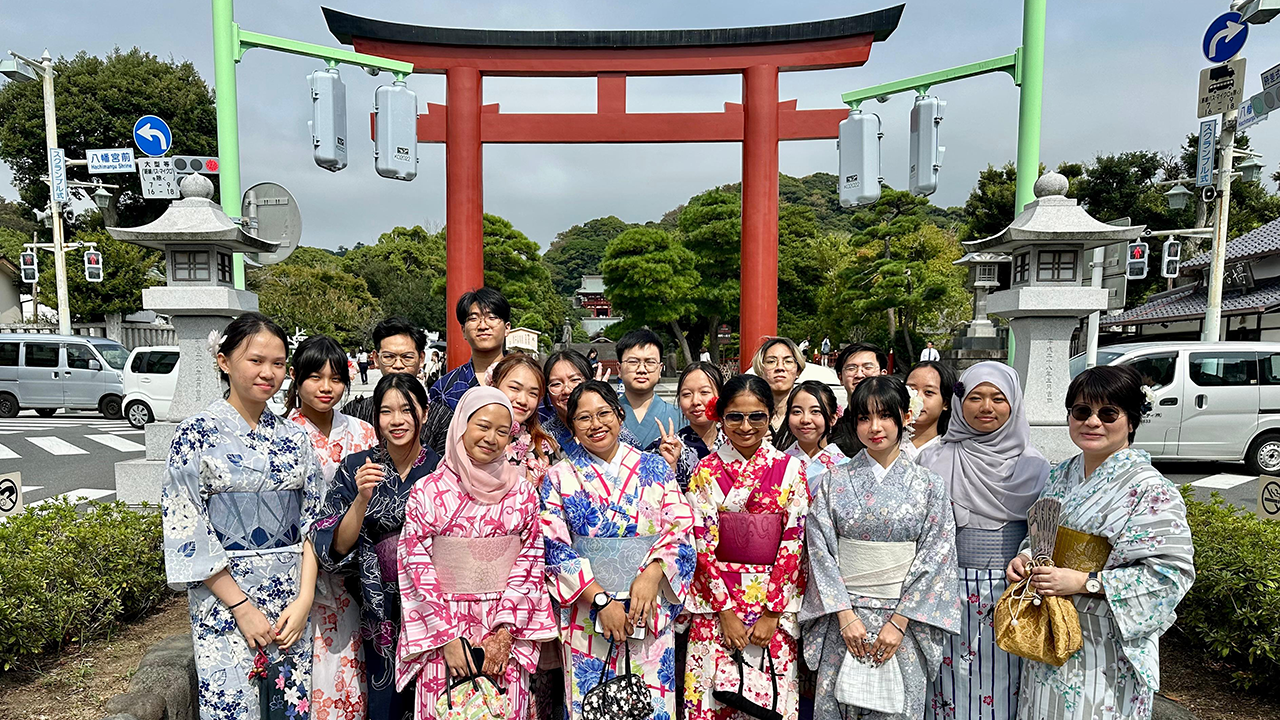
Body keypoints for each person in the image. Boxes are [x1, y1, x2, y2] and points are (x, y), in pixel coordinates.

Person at [1006, 365, 1195, 720]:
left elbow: (1171, 574)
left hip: (1106, 643)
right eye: (1082, 411)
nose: (1093, 422)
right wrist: (1028, 558)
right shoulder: (1062, 473)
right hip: (1052, 631)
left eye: (1108, 413)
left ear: (1132, 421)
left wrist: (1085, 581)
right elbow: (1042, 536)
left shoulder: (1150, 489)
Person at [161, 312, 321, 720]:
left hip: (290, 599)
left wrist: (304, 600)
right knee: (233, 704)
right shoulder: (196, 433)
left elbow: (314, 522)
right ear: (224, 361)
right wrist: (241, 606)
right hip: (225, 597)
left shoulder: (294, 436)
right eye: (256, 360)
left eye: (278, 363)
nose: (268, 372)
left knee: (291, 704)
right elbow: (186, 525)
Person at [801, 376, 961, 720]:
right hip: (843, 620)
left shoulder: (928, 485)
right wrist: (845, 617)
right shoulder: (834, 481)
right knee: (836, 705)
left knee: (899, 708)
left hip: (904, 623)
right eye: (863, 418)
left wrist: (899, 623)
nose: (874, 427)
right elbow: (819, 552)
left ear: (905, 416)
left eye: (885, 415)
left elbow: (938, 557)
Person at [396, 387, 558, 720]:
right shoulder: (428, 490)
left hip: (503, 631)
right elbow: (416, 563)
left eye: (502, 431)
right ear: (461, 426)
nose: (491, 438)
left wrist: (505, 634)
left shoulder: (523, 492)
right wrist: (447, 638)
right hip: (442, 630)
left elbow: (530, 563)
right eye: (482, 426)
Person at [540, 380, 696, 720]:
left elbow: (681, 528)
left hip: (648, 607)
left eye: (603, 413)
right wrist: (600, 601)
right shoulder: (559, 476)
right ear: (572, 426)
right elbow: (555, 548)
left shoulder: (654, 467)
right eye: (583, 418)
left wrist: (653, 574)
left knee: (651, 705)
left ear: (620, 414)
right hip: (587, 611)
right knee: (590, 703)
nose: (596, 424)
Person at [916, 362, 1049, 720]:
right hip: (942, 588)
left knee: (1003, 682)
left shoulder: (1034, 466)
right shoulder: (933, 457)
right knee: (943, 681)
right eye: (975, 397)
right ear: (959, 402)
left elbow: (1042, 536)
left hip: (1009, 592)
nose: (986, 407)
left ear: (1015, 404)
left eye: (998, 398)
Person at [314, 374, 443, 719]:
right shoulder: (357, 467)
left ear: (425, 413)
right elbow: (332, 549)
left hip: (433, 606)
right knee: (382, 701)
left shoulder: (444, 469)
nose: (396, 420)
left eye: (407, 409)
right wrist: (361, 499)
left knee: (434, 700)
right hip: (374, 610)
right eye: (386, 411)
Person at [684, 375, 809, 720]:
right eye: (735, 416)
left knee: (769, 704)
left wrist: (772, 612)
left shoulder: (790, 469)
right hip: (717, 606)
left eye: (757, 416)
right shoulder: (706, 471)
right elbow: (700, 542)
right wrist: (724, 611)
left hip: (772, 606)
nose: (746, 426)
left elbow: (794, 541)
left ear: (771, 416)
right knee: (713, 701)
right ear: (721, 417)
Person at [286, 335, 379, 719]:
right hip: (298, 565)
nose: (326, 387)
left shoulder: (363, 432)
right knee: (305, 670)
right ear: (295, 377)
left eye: (336, 378)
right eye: (315, 377)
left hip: (352, 571)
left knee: (353, 666)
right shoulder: (281, 433)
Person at [343, 317, 453, 457]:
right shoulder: (355, 411)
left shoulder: (442, 418)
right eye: (389, 357)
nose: (398, 365)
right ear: (376, 359)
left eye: (407, 357)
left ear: (421, 359)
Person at [431, 287, 511, 410]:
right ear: (463, 331)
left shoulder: (527, 379)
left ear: (507, 328)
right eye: (473, 318)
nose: (483, 326)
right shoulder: (444, 389)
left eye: (492, 317)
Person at [492, 352, 560, 482]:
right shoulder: (472, 436)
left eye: (533, 393)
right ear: (494, 385)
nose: (523, 400)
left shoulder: (544, 447)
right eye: (514, 388)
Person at [615, 328, 684, 451]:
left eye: (650, 362)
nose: (642, 369)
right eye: (633, 362)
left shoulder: (680, 416)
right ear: (619, 369)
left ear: (660, 369)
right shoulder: (606, 415)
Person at [777, 381, 847, 496]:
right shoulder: (777, 464)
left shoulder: (845, 467)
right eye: (797, 412)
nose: (805, 419)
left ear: (833, 418)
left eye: (815, 411)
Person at [829, 343, 889, 457]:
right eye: (852, 368)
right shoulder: (831, 432)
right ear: (840, 377)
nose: (859, 374)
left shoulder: (899, 425)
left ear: (883, 374)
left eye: (868, 367)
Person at [675, 361, 727, 489]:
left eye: (704, 392)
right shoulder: (667, 447)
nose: (695, 401)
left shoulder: (737, 443)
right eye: (687, 394)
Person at [751, 337, 806, 445]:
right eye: (771, 361)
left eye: (788, 361)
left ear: (798, 370)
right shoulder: (749, 414)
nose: (780, 367)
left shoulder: (808, 415)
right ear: (760, 369)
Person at [901, 361, 958, 463]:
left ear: (946, 403)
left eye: (928, 392)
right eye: (911, 389)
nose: (918, 397)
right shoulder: (885, 442)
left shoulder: (953, 451)